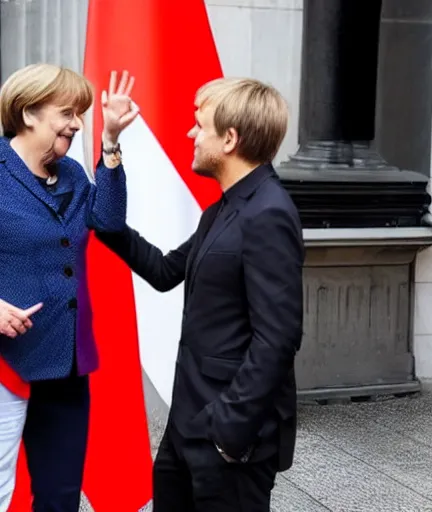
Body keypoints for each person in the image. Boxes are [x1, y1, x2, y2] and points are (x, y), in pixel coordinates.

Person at [97, 77, 304, 511]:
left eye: (199, 125)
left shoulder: (269, 213)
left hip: (229, 441)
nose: (191, 134)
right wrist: (110, 149)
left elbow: (278, 338)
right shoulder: (223, 209)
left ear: (230, 138)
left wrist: (228, 433)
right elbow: (164, 269)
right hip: (187, 426)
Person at [0, 63, 138, 511]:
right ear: (27, 114)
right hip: (6, 369)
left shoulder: (75, 174)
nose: (77, 123)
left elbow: (110, 220)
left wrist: (111, 142)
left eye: (81, 113)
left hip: (65, 365)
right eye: (68, 112)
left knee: (59, 498)